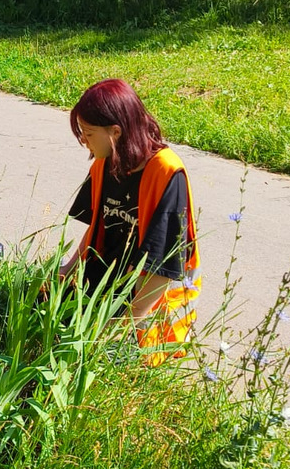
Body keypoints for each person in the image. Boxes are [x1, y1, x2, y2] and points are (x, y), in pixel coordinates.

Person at [59, 79, 200, 358]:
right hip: (109, 282)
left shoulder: (167, 173)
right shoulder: (106, 160)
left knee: (106, 356)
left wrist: (119, 326)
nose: (83, 141)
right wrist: (69, 269)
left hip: (150, 300)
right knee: (39, 301)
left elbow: (163, 269)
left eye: (87, 133)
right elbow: (99, 227)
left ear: (116, 132)